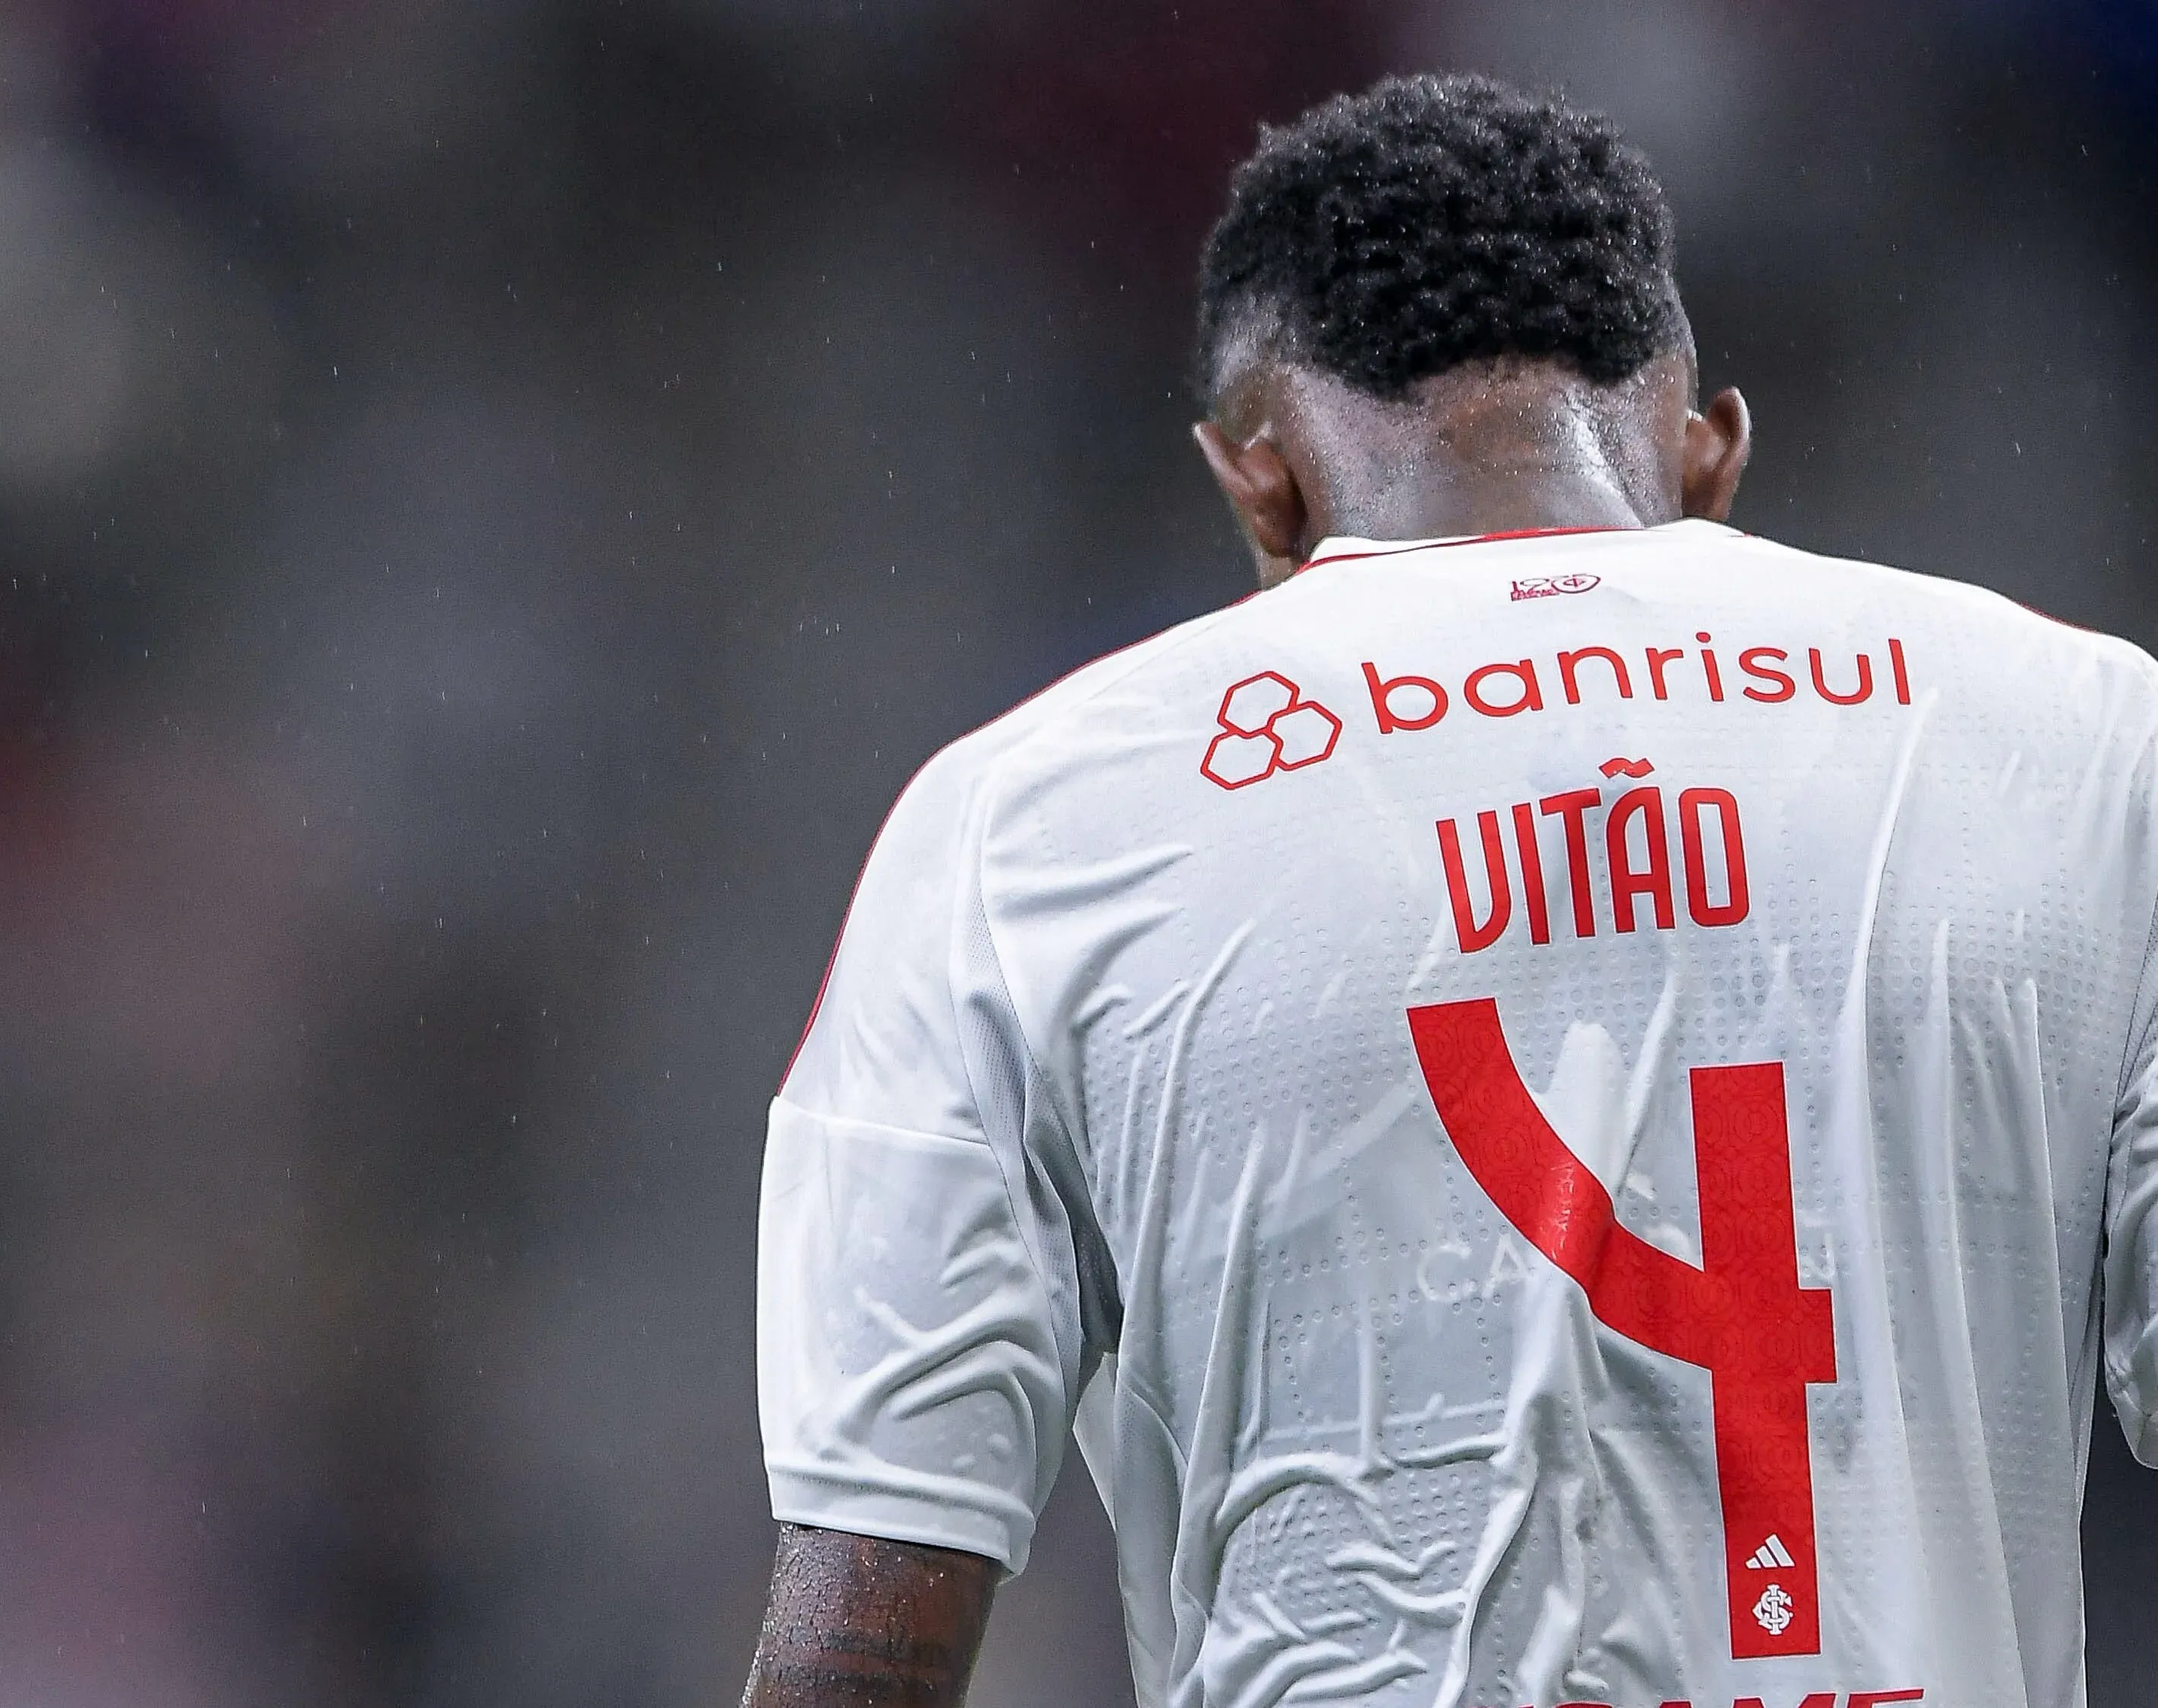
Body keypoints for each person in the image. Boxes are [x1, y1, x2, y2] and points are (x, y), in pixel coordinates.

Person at [743, 72, 2158, 1708]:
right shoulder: (2089, 741)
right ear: (1709, 451)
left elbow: (865, 1632)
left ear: (1256, 482)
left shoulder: (1023, 829)